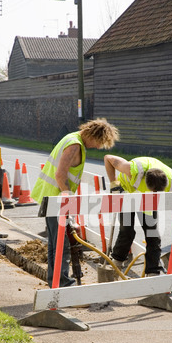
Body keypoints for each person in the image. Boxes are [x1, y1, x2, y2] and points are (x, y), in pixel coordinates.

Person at [31, 118, 119, 287]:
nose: (99, 147)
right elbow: (60, 175)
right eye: (100, 142)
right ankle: (63, 285)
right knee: (61, 246)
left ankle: (55, 283)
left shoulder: (73, 138)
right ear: (93, 135)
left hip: (53, 197)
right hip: (56, 199)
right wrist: (68, 200)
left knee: (55, 244)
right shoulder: (74, 145)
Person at [104, 155, 172, 276]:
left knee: (152, 234)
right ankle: (117, 263)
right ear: (146, 184)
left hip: (147, 201)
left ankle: (153, 271)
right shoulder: (133, 170)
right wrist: (113, 182)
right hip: (127, 192)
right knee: (127, 231)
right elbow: (108, 158)